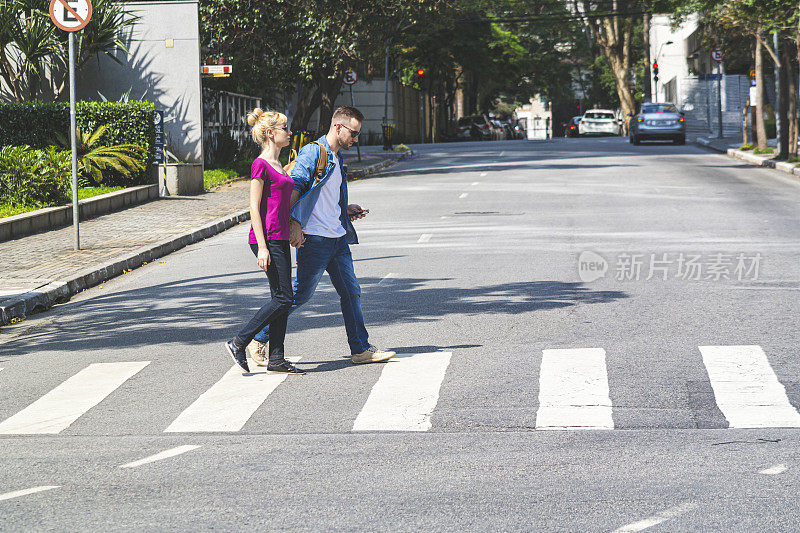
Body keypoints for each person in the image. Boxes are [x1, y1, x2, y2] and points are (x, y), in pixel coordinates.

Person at [247, 106, 395, 365]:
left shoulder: (336, 158)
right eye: (353, 133)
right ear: (338, 127)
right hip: (314, 239)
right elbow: (293, 190)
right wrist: (293, 223)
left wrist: (344, 210)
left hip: (336, 237)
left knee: (351, 292)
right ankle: (258, 337)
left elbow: (322, 196)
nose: (356, 139)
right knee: (299, 294)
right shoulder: (314, 152)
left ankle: (360, 349)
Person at [225, 109, 304, 375]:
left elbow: (282, 205)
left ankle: (277, 359)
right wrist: (261, 246)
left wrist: (293, 225)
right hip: (267, 238)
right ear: (271, 133)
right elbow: (253, 207)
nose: (289, 132)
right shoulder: (260, 165)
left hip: (280, 237)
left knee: (281, 297)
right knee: (284, 298)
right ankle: (239, 341)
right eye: (285, 128)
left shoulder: (280, 165)